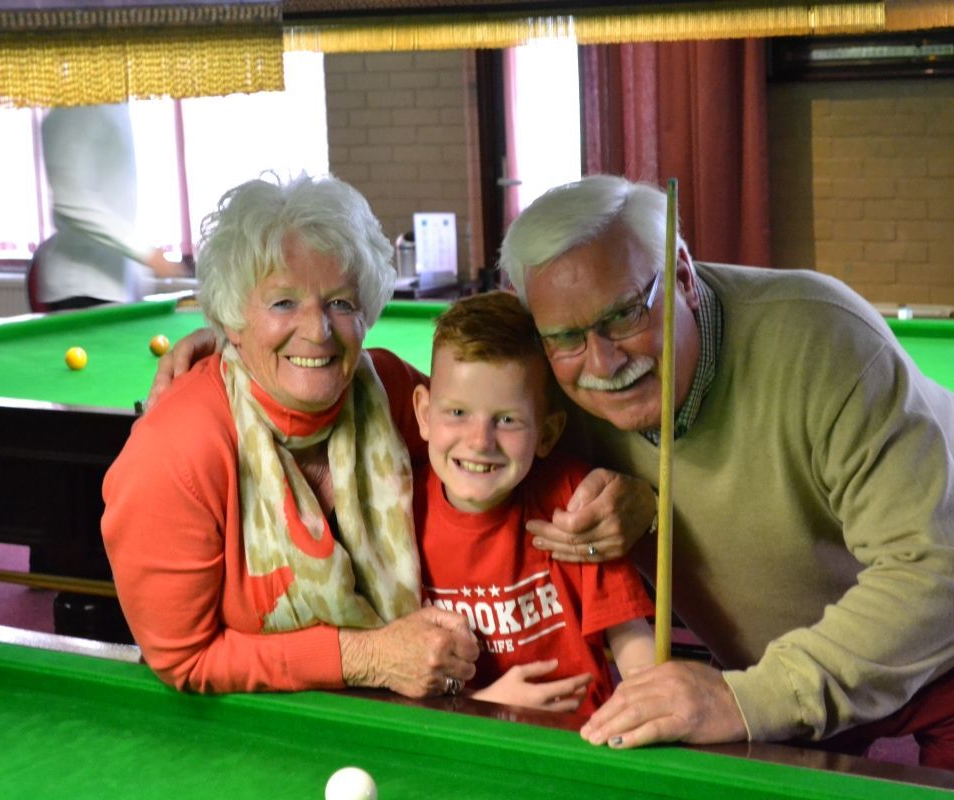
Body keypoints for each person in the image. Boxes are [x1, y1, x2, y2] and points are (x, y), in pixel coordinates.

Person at [499, 174, 954, 766]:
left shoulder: (827, 343)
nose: (604, 361)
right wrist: (648, 507)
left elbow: (931, 575)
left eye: (626, 314)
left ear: (684, 277)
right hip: (775, 676)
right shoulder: (546, 385)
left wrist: (744, 701)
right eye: (566, 337)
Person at [100, 174, 483, 696]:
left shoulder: (388, 388)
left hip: (409, 723)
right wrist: (368, 657)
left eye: (340, 303)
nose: (318, 330)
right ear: (233, 320)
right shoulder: (174, 451)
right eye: (282, 303)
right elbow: (183, 658)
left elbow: (507, 432)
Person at [412, 291, 655, 713]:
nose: (479, 441)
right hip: (451, 745)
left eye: (506, 420)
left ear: (546, 433)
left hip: (583, 745)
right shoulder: (396, 511)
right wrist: (485, 704)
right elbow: (386, 686)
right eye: (457, 413)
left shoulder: (575, 502)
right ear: (423, 414)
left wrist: (650, 702)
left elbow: (636, 651)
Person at [33, 104, 183, 312]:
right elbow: (70, 198)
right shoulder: (76, 107)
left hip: (115, 287)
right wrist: (147, 254)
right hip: (82, 289)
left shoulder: (114, 105)